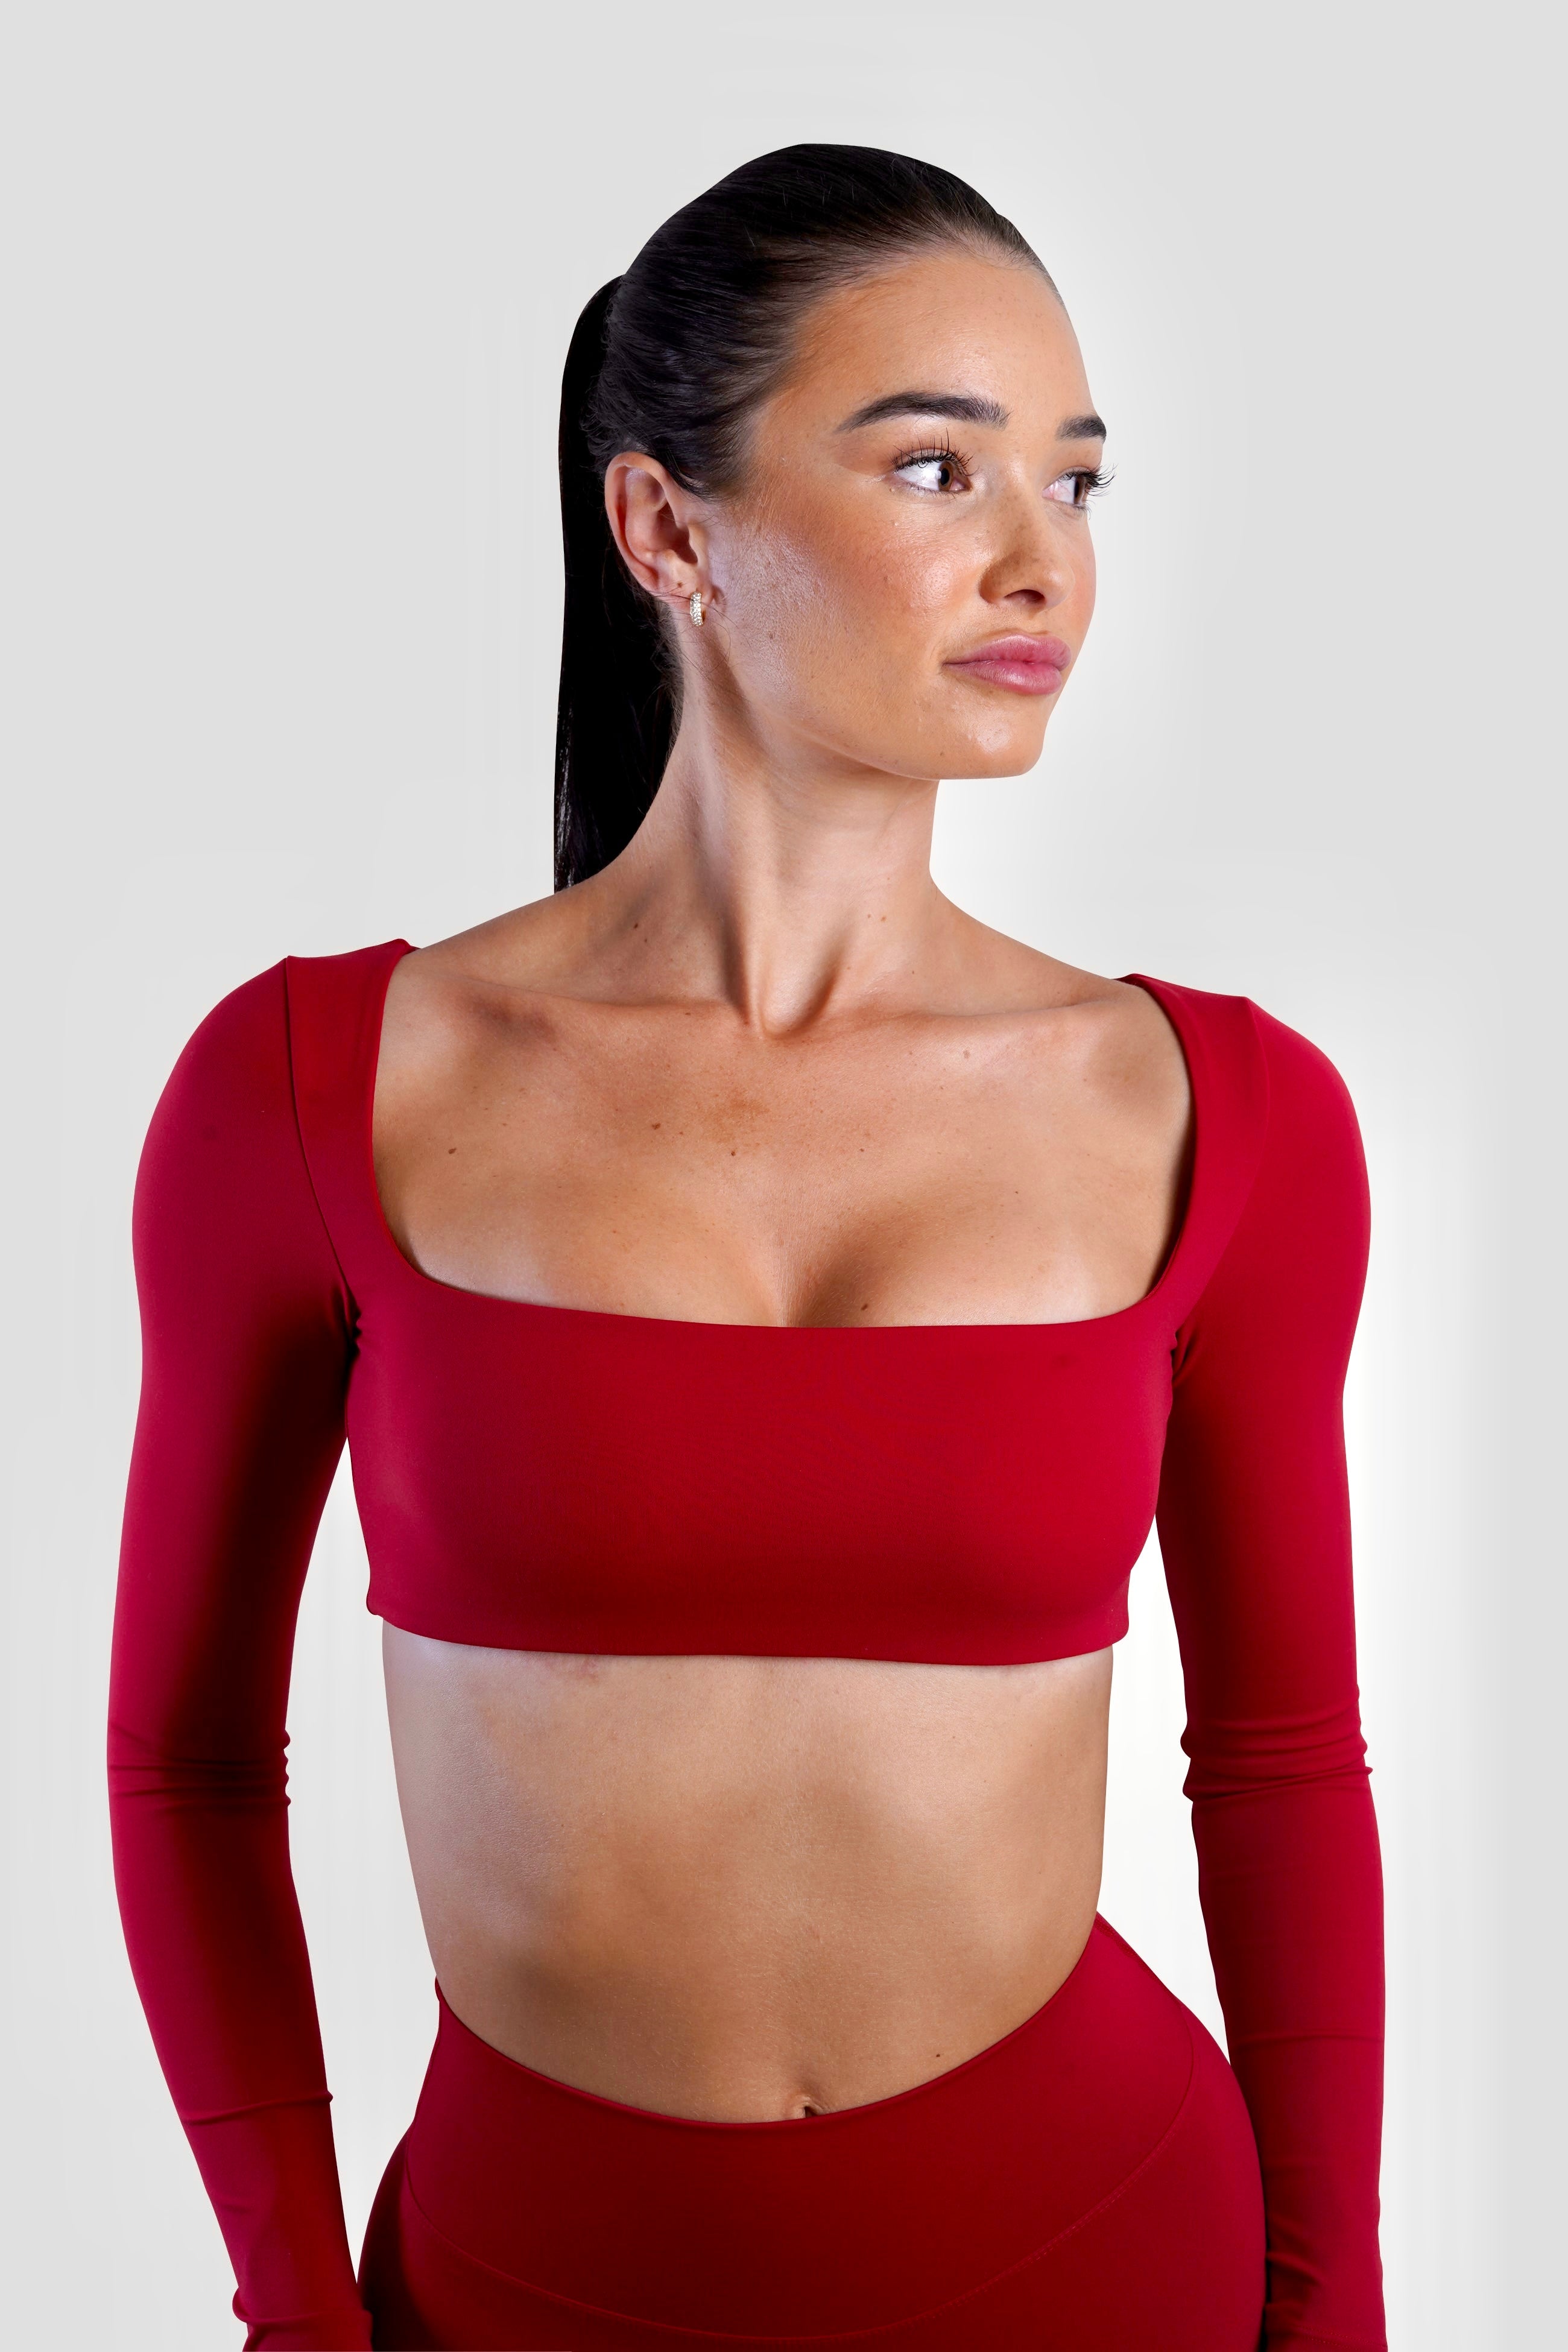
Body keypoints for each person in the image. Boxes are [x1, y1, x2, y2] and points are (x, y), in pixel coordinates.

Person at [107, 144, 1386, 2350]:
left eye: (1078, 482)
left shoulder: (1215, 1112)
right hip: (527, 2287)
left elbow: (1279, 1762)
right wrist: (295, 2308)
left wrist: (1332, 2311)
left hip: (1100, 2256)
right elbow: (189, 1762)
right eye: (938, 467)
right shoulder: (317, 1087)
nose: (1041, 561)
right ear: (667, 528)